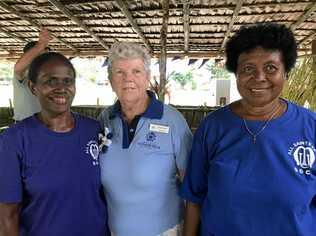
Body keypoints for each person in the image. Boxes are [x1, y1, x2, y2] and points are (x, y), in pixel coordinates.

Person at [180, 22, 316, 236]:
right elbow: (194, 199)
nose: (259, 77)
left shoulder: (310, 126)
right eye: (248, 69)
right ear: (236, 75)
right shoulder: (212, 127)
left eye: (271, 68)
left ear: (286, 73)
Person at [0, 52, 108, 236]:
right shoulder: (15, 139)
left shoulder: (94, 130)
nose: (61, 88)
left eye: (68, 81)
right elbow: (8, 215)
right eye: (51, 81)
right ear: (33, 87)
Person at [98, 42, 193, 236]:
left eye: (136, 71)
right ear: (110, 79)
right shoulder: (105, 119)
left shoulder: (172, 121)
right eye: (119, 72)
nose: (128, 79)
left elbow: (192, 187)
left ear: (148, 78)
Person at [13, 28, 52, 121]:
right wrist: (41, 44)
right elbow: (18, 67)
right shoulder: (24, 74)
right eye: (41, 55)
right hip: (24, 127)